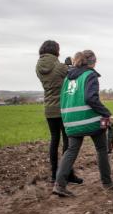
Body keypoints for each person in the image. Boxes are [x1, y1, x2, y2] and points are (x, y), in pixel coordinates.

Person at [53, 50, 113, 197]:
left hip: (70, 121)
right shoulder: (90, 75)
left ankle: (59, 184)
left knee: (71, 150)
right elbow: (91, 99)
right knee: (102, 148)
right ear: (93, 62)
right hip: (90, 119)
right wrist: (107, 114)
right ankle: (107, 182)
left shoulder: (68, 78)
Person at [35, 40, 82, 185]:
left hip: (48, 108)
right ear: (56, 50)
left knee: (54, 140)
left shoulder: (38, 66)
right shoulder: (60, 66)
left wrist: (65, 66)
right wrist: (69, 65)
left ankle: (54, 174)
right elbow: (72, 75)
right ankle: (67, 174)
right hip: (62, 108)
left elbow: (54, 77)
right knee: (68, 142)